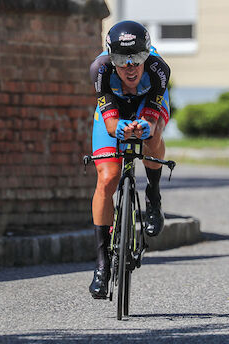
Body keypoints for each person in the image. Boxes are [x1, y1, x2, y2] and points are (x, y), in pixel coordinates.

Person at [87, 21, 171, 299]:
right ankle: (102, 266)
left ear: (147, 55)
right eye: (122, 60)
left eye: (138, 58)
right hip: (114, 108)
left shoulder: (159, 70)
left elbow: (152, 117)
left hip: (147, 103)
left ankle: (154, 198)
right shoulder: (100, 70)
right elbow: (111, 126)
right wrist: (121, 128)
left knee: (152, 134)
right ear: (111, 58)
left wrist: (145, 126)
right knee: (108, 177)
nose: (131, 67)